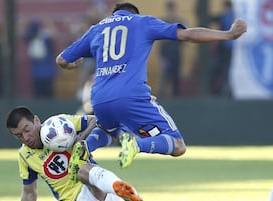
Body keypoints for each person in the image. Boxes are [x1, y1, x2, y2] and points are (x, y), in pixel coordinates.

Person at [56, 2, 247, 169]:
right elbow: (188, 34)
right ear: (133, 13)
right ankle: (135, 144)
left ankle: (83, 149)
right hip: (131, 96)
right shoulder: (142, 22)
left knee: (108, 130)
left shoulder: (96, 30)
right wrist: (228, 35)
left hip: (99, 100)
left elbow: (61, 60)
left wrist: (73, 65)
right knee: (177, 144)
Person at [5, 106, 187, 201]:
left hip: (96, 184)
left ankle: (119, 187)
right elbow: (29, 194)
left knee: (80, 169)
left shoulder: (59, 124)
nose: (25, 137)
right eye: (18, 136)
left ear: (36, 120)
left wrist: (81, 139)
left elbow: (95, 120)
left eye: (27, 130)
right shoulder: (24, 156)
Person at [24, 17, 57, 98]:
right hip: (37, 73)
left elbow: (54, 34)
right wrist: (25, 23)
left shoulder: (44, 37)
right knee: (38, 97)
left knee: (48, 97)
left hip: (47, 71)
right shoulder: (30, 38)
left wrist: (48, 22)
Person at [157, 0, 184, 98]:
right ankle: (162, 98)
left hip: (176, 51)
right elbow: (160, 42)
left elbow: (183, 39)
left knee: (176, 76)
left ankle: (175, 97)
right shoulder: (163, 21)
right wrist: (162, 57)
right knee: (165, 76)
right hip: (167, 52)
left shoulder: (179, 21)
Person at [208, 0, 235, 97]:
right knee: (225, 71)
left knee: (224, 71)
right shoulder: (233, 16)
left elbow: (212, 18)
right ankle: (224, 92)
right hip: (227, 49)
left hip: (226, 49)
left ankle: (223, 92)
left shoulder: (226, 16)